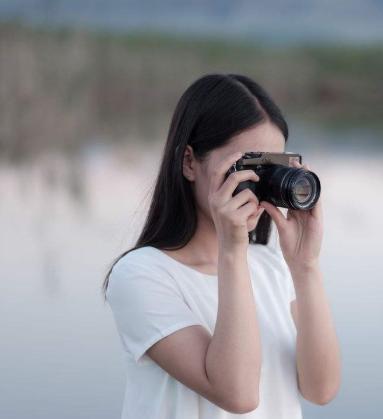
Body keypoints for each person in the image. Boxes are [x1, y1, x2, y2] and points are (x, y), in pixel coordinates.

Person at [103, 73, 341, 419]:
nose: (257, 181)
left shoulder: (270, 266)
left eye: (270, 167)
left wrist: (306, 266)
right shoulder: (141, 276)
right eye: (246, 166)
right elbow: (238, 393)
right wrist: (232, 250)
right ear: (189, 162)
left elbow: (321, 389)